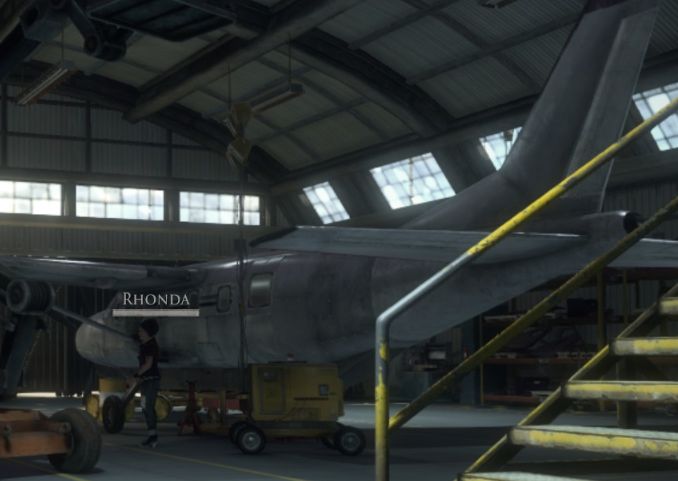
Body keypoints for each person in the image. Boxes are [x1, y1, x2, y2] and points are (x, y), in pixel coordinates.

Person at [131, 318, 161, 448]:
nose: (139, 333)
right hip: (146, 381)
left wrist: (136, 375)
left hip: (151, 380)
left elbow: (148, 364)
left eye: (141, 331)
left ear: (148, 332)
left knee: (148, 407)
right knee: (145, 407)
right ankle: (151, 435)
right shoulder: (145, 344)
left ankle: (153, 436)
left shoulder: (150, 346)